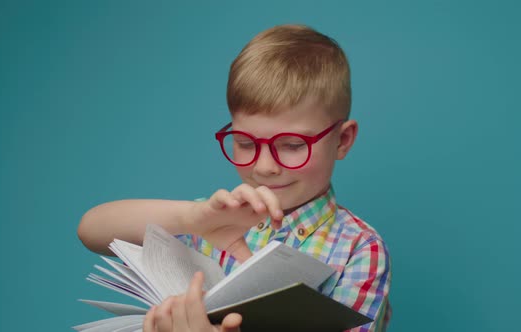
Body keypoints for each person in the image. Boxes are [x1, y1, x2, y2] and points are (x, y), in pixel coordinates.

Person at [78, 24, 391, 332]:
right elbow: (91, 229)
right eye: (246, 143)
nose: (265, 166)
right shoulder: (210, 221)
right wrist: (191, 217)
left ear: (343, 139)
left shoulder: (359, 250)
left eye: (293, 145)